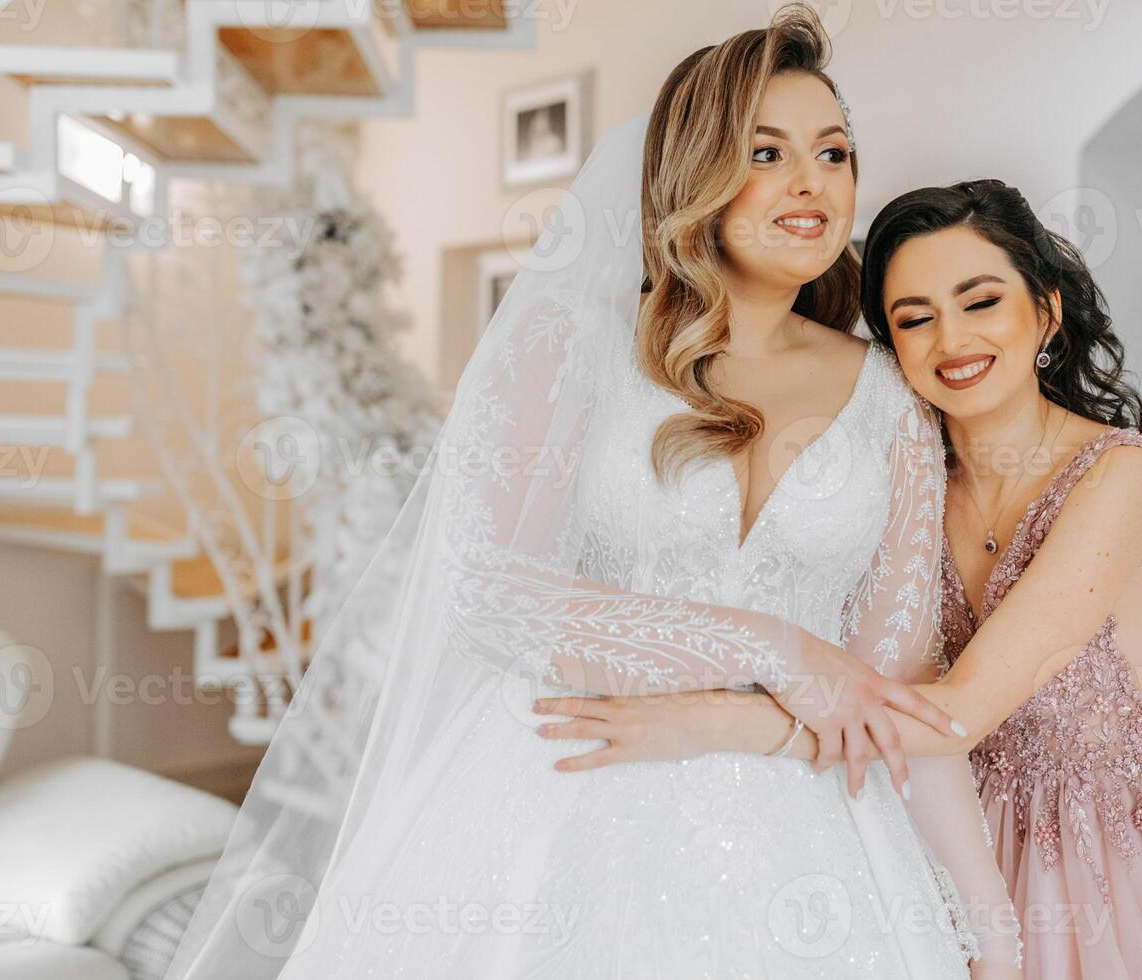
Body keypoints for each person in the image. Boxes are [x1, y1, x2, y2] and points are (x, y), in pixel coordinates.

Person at [163, 8, 1019, 979]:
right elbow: (486, 583)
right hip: (565, 782)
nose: (811, 181)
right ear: (695, 171)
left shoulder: (893, 401)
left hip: (813, 829)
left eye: (834, 152)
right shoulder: (571, 347)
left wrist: (991, 931)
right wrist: (770, 645)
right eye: (767, 150)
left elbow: (887, 691)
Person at [540, 177, 1142, 978]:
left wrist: (725, 721)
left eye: (981, 301)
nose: (951, 340)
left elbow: (959, 711)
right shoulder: (902, 475)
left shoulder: (1119, 477)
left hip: (1122, 842)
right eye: (913, 319)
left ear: (1047, 309)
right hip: (948, 811)